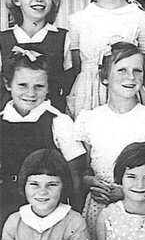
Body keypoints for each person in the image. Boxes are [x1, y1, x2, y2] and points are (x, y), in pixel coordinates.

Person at [74, 42, 145, 240]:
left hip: (142, 209)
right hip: (100, 206)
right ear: (104, 77)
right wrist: (90, 181)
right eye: (122, 70)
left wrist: (126, 192)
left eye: (137, 70)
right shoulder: (90, 119)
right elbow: (83, 170)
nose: (131, 77)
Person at [1, 51, 85, 223]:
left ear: (48, 87)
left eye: (39, 86)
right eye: (22, 85)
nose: (30, 93)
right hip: (5, 207)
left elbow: (75, 176)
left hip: (48, 209)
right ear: (8, 84)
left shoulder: (59, 122)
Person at [0, 0, 68, 112]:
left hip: (50, 117)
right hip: (9, 120)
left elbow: (69, 84)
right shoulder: (3, 39)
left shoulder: (63, 38)